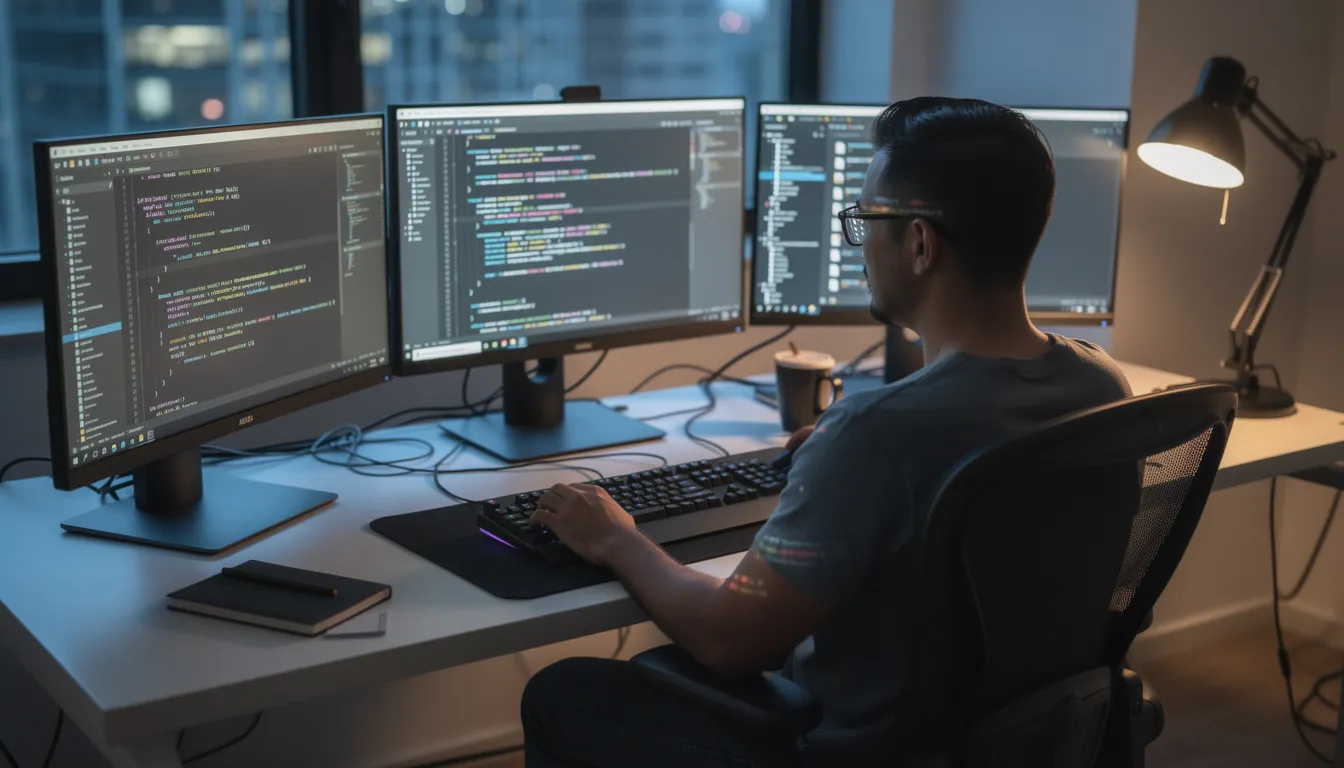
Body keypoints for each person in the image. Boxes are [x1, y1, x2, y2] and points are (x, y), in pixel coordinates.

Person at [520, 97, 1132, 767]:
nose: (860, 239)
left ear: (921, 243)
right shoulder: (1101, 386)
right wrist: (843, 465)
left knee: (563, 690)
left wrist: (615, 537)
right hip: (1014, 741)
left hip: (848, 751)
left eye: (866, 218)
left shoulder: (877, 433)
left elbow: (731, 640)